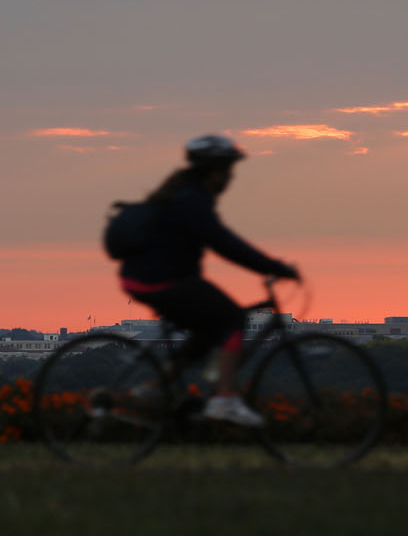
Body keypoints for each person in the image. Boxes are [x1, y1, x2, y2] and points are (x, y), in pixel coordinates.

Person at [117, 134, 299, 427]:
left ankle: (151, 389)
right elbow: (223, 243)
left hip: (145, 279)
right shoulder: (192, 201)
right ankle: (224, 399)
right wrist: (272, 266)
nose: (231, 178)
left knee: (208, 332)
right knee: (232, 319)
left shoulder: (183, 194)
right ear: (216, 172)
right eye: (229, 171)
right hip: (161, 281)